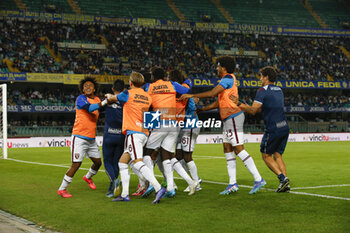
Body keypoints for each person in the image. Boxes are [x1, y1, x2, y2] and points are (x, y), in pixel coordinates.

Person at [180, 55, 265, 195]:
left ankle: (258, 179)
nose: (217, 68)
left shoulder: (228, 79)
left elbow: (212, 93)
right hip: (228, 118)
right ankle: (232, 184)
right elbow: (219, 101)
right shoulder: (226, 81)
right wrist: (203, 109)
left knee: (238, 149)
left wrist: (191, 95)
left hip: (233, 117)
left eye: (218, 65)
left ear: (224, 68)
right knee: (227, 149)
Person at [106, 71, 167, 204]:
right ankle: (124, 194)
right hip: (143, 132)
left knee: (138, 162)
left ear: (131, 83)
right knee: (122, 162)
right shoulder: (147, 96)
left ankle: (158, 188)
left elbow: (112, 99)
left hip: (133, 132)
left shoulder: (127, 93)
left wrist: (108, 96)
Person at [231, 66, 290, 192]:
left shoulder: (262, 90)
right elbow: (263, 108)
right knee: (277, 155)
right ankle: (286, 183)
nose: (260, 79)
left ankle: (282, 179)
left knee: (265, 155)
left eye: (261, 76)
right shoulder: (279, 90)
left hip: (273, 128)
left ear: (266, 77)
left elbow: (253, 110)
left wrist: (239, 103)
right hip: (284, 126)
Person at [142, 67, 199, 198]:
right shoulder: (171, 84)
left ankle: (152, 183)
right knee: (167, 155)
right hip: (173, 124)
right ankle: (179, 185)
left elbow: (144, 101)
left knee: (147, 153)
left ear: (153, 77)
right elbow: (185, 90)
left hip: (159, 121)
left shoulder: (150, 86)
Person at [57, 77, 109, 198]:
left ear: (94, 88)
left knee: (98, 163)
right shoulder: (81, 99)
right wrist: (106, 101)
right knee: (76, 164)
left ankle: (88, 177)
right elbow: (90, 108)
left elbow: (101, 108)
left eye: (90, 85)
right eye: (85, 86)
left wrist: (110, 99)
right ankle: (62, 189)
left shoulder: (96, 99)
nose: (87, 87)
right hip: (79, 137)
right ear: (82, 89)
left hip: (91, 139)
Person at [169, 69, 202, 192]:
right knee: (178, 155)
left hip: (190, 126)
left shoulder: (184, 91)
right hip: (182, 127)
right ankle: (193, 180)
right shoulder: (181, 90)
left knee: (187, 156)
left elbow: (193, 108)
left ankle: (196, 183)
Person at [102, 79, 125, 197]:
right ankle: (112, 188)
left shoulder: (108, 100)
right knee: (116, 162)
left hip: (109, 135)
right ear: (124, 90)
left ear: (112, 89)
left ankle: (113, 181)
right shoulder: (125, 100)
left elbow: (97, 108)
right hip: (121, 135)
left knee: (107, 161)